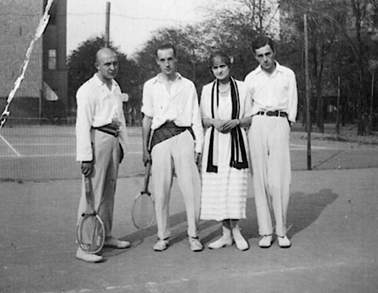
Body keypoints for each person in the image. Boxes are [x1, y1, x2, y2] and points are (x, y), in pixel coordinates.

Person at [141, 43, 204, 252]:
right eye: (162, 60)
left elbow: (195, 116)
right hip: (159, 141)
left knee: (192, 189)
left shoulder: (188, 85)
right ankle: (162, 236)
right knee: (160, 191)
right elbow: (147, 118)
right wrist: (145, 148)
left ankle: (194, 235)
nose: (167, 64)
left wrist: (199, 147)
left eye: (170, 59)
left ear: (176, 60)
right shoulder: (149, 86)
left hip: (184, 137)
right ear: (157, 62)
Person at [75, 48, 130, 262]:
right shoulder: (87, 90)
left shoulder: (115, 87)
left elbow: (121, 120)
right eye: (107, 64)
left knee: (109, 192)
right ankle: (85, 245)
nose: (112, 67)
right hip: (97, 141)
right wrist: (86, 156)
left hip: (113, 143)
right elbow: (82, 125)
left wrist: (122, 146)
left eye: (115, 63)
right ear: (97, 66)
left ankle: (105, 235)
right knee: (92, 195)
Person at [245, 36, 298, 248]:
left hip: (280, 122)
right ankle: (266, 232)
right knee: (260, 179)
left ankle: (281, 230)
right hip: (257, 123)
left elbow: (293, 101)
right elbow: (247, 106)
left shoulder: (287, 74)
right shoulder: (251, 78)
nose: (265, 59)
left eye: (268, 54)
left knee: (280, 179)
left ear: (273, 52)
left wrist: (287, 124)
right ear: (255, 56)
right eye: (260, 55)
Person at [200, 51, 252, 251]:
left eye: (222, 66)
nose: (219, 70)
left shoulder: (243, 88)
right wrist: (213, 121)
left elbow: (250, 117)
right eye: (215, 67)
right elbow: (203, 118)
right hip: (215, 144)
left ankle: (237, 231)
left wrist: (237, 121)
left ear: (229, 66)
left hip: (236, 142)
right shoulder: (206, 90)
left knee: (235, 186)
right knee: (219, 188)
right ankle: (225, 234)